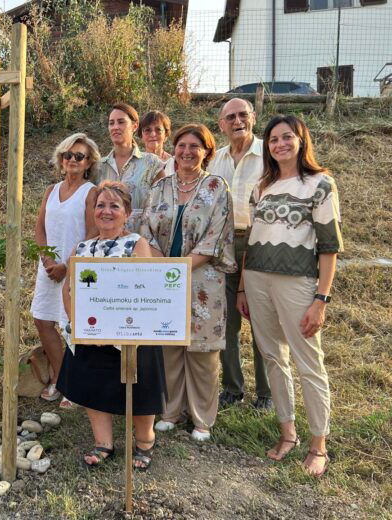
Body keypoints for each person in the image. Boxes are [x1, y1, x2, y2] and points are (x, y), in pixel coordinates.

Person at [237, 115, 343, 477]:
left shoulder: (320, 184)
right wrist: (241, 287)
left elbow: (329, 248)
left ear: (301, 140)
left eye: (287, 137)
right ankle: (288, 434)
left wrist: (321, 299)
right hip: (256, 279)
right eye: (272, 139)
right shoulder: (261, 186)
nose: (279, 144)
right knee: (272, 356)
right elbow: (252, 239)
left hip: (297, 282)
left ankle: (319, 444)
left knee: (308, 360)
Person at [57, 181, 166, 469]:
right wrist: (78, 324)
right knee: (93, 383)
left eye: (114, 206)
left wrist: (118, 327)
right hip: (90, 333)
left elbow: (145, 289)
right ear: (93, 211)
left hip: (129, 333)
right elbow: (68, 289)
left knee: (140, 385)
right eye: (100, 205)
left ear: (127, 213)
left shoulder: (137, 244)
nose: (106, 211)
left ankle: (145, 441)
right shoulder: (82, 247)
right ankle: (103, 442)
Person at [140, 124, 235, 442]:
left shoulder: (216, 187)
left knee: (201, 352)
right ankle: (170, 411)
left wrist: (179, 269)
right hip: (163, 277)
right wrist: (162, 266)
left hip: (202, 280)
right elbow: (147, 230)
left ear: (207, 152)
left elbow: (216, 236)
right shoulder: (160, 187)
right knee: (168, 346)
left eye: (195, 146)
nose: (186, 151)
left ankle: (202, 418)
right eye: (182, 145)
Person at [207, 98, 272, 410]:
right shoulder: (215, 161)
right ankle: (232, 389)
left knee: (261, 321)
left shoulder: (269, 155)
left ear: (254, 117)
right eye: (230, 117)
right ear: (221, 125)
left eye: (243, 115)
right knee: (226, 321)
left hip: (259, 244)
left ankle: (266, 393)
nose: (237, 121)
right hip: (223, 244)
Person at [31, 133, 99, 409]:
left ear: (88, 162)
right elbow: (40, 228)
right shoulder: (51, 190)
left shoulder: (90, 192)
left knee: (73, 327)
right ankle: (60, 377)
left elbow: (93, 234)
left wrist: (67, 267)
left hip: (76, 269)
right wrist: (47, 261)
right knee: (43, 320)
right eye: (67, 155)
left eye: (79, 156)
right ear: (60, 159)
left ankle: (76, 385)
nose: (72, 160)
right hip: (48, 268)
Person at [99, 103, 165, 233]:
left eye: (121, 122)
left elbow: (163, 205)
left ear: (134, 126)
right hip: (105, 242)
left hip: (141, 242)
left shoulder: (152, 163)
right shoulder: (99, 166)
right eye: (111, 123)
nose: (115, 127)